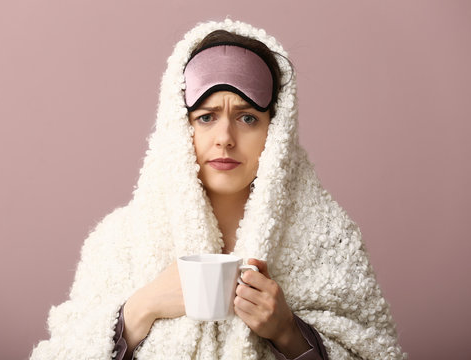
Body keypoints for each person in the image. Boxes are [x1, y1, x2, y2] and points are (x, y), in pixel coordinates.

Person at [30, 19, 406, 360]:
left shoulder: (329, 240)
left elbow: (378, 353)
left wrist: (289, 333)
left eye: (247, 118)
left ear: (276, 133)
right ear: (180, 127)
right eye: (206, 117)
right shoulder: (117, 242)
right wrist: (140, 309)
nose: (225, 138)